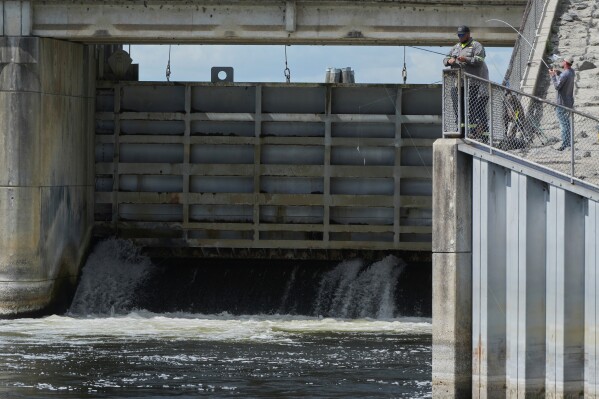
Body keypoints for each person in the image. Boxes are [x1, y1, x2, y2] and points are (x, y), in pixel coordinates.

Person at [443, 25, 489, 137]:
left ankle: (472, 132)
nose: (460, 37)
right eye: (458, 35)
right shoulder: (455, 47)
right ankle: (461, 130)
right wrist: (449, 61)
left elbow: (480, 60)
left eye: (462, 35)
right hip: (458, 83)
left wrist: (466, 59)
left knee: (471, 108)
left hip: (473, 83)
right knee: (458, 107)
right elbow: (445, 59)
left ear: (468, 34)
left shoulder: (476, 46)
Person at [549, 56, 575, 151]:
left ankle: (565, 145)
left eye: (563, 61)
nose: (562, 62)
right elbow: (564, 78)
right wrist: (558, 73)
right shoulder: (572, 72)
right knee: (567, 124)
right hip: (569, 102)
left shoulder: (565, 75)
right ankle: (568, 143)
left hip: (562, 103)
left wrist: (552, 76)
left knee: (563, 125)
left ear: (565, 63)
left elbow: (557, 86)